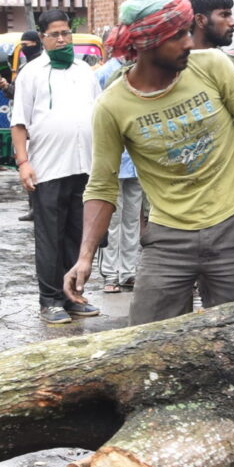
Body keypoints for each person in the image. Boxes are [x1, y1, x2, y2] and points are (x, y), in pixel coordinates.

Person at [64, 0, 234, 325]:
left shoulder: (213, 66)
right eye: (178, 36)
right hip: (167, 239)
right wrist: (85, 256)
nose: (190, 43)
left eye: (189, 32)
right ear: (148, 42)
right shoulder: (112, 105)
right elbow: (102, 185)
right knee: (147, 344)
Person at [11, 8, 101, 324]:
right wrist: (23, 163)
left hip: (84, 167)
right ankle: (49, 299)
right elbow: (19, 123)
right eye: (55, 34)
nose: (62, 39)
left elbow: (99, 117)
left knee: (76, 234)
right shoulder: (32, 73)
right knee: (50, 236)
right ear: (42, 38)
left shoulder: (84, 72)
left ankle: (72, 295)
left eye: (66, 33)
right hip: (47, 168)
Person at [90, 50, 145, 294]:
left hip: (137, 159)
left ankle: (129, 271)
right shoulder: (104, 74)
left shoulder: (141, 69)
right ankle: (110, 274)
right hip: (113, 158)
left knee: (133, 218)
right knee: (111, 219)